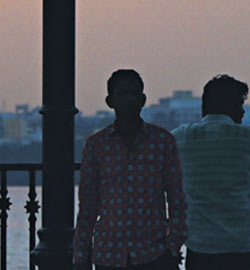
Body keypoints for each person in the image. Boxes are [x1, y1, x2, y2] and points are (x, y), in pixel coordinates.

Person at [172, 75, 250, 270]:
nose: (242, 111)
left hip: (200, 246)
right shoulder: (249, 138)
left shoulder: (181, 137)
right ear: (230, 106)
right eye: (240, 104)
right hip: (240, 245)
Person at [73, 69, 187, 270]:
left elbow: (177, 197)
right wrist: (81, 256)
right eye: (123, 94)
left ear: (143, 99)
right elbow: (88, 204)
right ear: (110, 101)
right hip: (109, 253)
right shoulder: (96, 145)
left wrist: (173, 246)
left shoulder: (162, 141)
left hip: (154, 252)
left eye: (135, 94)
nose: (130, 99)